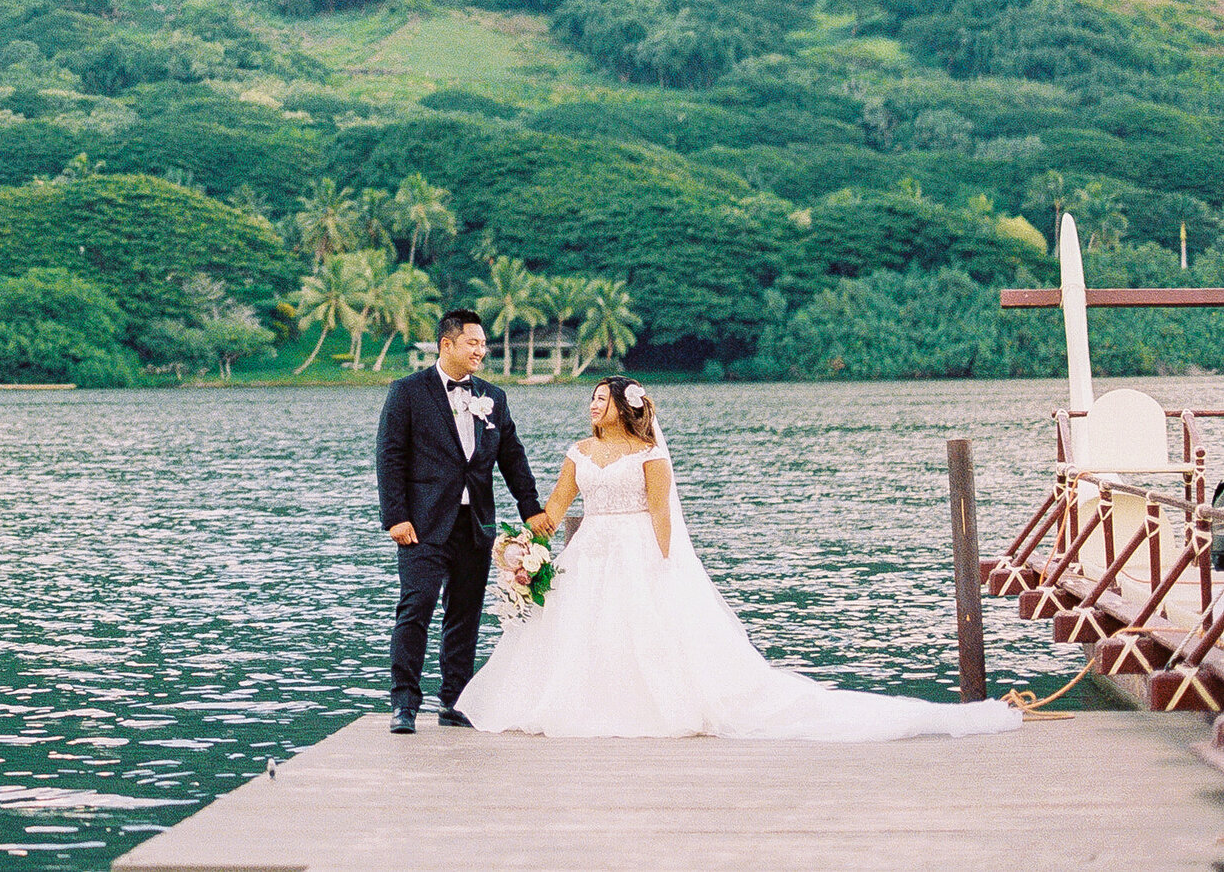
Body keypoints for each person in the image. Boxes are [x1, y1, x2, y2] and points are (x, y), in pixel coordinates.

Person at [457, 376, 1021, 739]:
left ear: (625, 410)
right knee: (584, 632)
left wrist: (663, 565)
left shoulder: (651, 454)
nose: (593, 404)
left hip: (637, 552)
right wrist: (522, 544)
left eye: (602, 398)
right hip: (590, 554)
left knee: (642, 632)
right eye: (593, 398)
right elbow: (554, 512)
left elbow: (662, 517)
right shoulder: (577, 452)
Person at [374, 308, 546, 733]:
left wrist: (531, 508)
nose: (481, 351)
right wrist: (395, 516)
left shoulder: (493, 396)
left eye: (484, 344)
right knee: (416, 608)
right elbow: (389, 456)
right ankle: (404, 704)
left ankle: (454, 701)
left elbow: (511, 456)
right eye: (473, 343)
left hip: (476, 524)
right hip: (422, 523)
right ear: (446, 344)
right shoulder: (408, 392)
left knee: (465, 613)